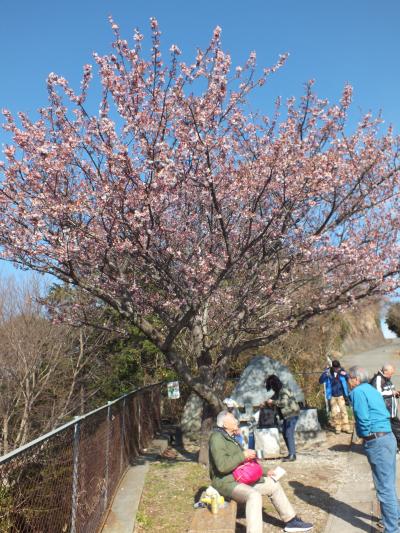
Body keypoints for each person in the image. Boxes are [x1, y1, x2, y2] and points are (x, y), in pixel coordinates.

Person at [209, 410, 313, 533]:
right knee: (254, 495)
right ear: (225, 424)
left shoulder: (231, 437)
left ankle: (291, 521)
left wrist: (266, 471)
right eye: (233, 419)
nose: (236, 420)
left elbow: (245, 464)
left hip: (240, 477)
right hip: (226, 482)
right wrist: (243, 455)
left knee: (273, 484)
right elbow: (222, 466)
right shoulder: (217, 438)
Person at [348, 365, 399, 533]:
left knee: (384, 488)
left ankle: (392, 529)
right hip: (388, 437)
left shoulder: (358, 392)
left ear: (356, 379)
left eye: (349, 378)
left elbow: (362, 418)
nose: (348, 381)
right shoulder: (370, 389)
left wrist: (365, 436)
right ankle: (394, 517)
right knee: (388, 484)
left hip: (377, 440)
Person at [265, 375, 300, 461]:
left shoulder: (284, 390)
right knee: (285, 433)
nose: (272, 389)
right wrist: (266, 402)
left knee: (288, 433)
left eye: (272, 386)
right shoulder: (278, 391)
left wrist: (272, 402)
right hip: (286, 415)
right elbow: (273, 398)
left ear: (274, 385)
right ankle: (291, 454)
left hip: (292, 414)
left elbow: (283, 402)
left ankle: (292, 455)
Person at [370, 363, 400, 451]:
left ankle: (396, 446)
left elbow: (389, 390)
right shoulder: (378, 379)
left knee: (396, 428)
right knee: (394, 429)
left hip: (392, 411)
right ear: (385, 371)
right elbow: (377, 394)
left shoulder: (387, 379)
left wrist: (396, 393)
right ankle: (395, 447)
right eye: (391, 373)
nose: (391, 375)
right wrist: (392, 393)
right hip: (385, 411)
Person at [319, 359, 352, 434]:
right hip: (332, 395)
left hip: (341, 395)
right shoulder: (328, 372)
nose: (337, 369)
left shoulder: (342, 371)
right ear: (333, 367)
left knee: (343, 411)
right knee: (334, 412)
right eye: (336, 368)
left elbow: (348, 378)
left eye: (338, 368)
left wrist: (344, 373)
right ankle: (338, 428)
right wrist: (325, 374)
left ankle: (346, 427)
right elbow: (320, 381)